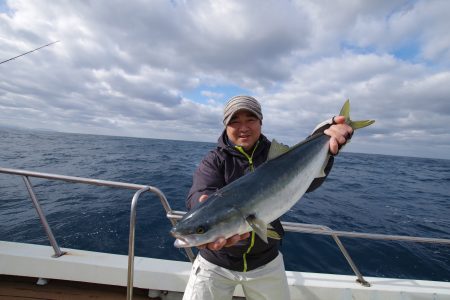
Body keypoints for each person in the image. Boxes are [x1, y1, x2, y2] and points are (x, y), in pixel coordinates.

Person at [183, 95, 353, 300]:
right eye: (234, 121)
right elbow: (200, 191)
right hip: (215, 263)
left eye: (251, 119)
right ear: (226, 126)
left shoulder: (279, 156)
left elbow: (310, 182)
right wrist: (202, 205)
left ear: (260, 122)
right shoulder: (215, 160)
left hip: (265, 262)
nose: (243, 127)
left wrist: (327, 138)